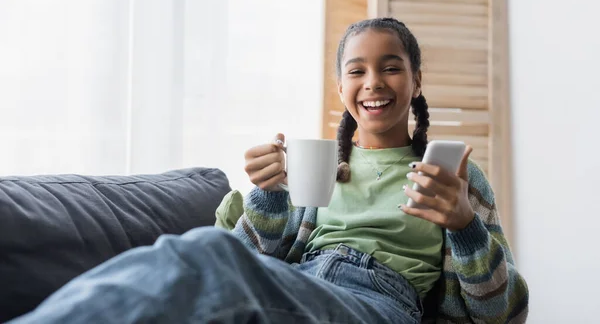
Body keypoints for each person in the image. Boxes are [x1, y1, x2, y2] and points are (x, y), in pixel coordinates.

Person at [10, 18, 528, 323]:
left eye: (391, 66)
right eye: (357, 70)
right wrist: (270, 193)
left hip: (381, 303)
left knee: (208, 256)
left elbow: (498, 313)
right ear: (341, 87)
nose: (375, 81)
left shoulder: (455, 176)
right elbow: (255, 256)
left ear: (416, 81)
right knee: (202, 254)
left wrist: (463, 224)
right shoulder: (322, 164)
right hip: (299, 281)